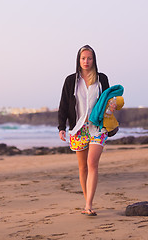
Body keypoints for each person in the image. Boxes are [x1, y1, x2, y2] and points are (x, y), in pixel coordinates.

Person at [58, 45, 110, 216]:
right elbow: (64, 105)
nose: (86, 61)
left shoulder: (101, 79)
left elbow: (109, 100)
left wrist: (113, 106)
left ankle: (88, 205)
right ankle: (88, 201)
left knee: (92, 163)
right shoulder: (71, 81)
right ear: (78, 60)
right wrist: (61, 127)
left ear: (94, 59)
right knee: (82, 168)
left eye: (89, 58)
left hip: (97, 128)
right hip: (78, 128)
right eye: (83, 58)